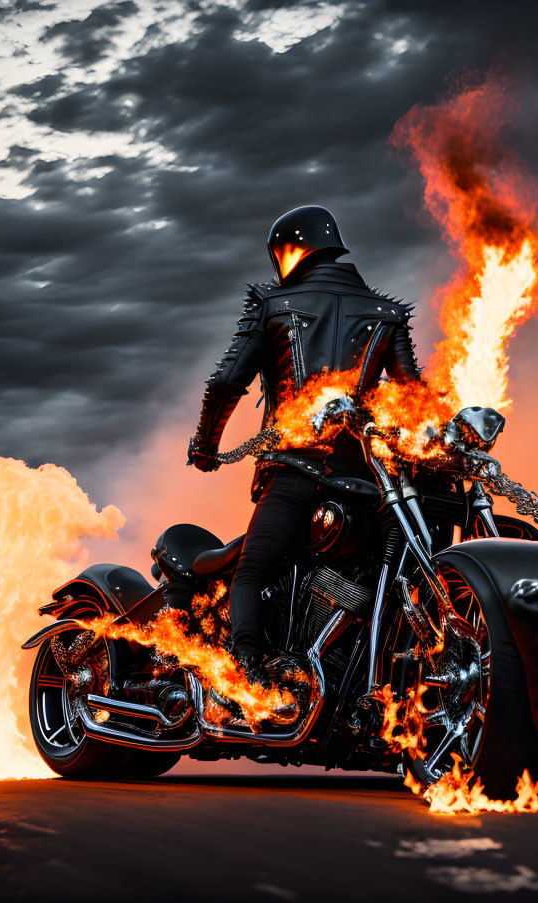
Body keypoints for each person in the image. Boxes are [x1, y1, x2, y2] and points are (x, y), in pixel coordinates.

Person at [187, 205, 423, 684]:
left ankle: (248, 677)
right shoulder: (386, 315)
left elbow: (227, 383)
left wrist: (205, 447)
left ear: (288, 251)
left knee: (252, 572)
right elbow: (414, 396)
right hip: (363, 481)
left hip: (296, 471)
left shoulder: (274, 305)